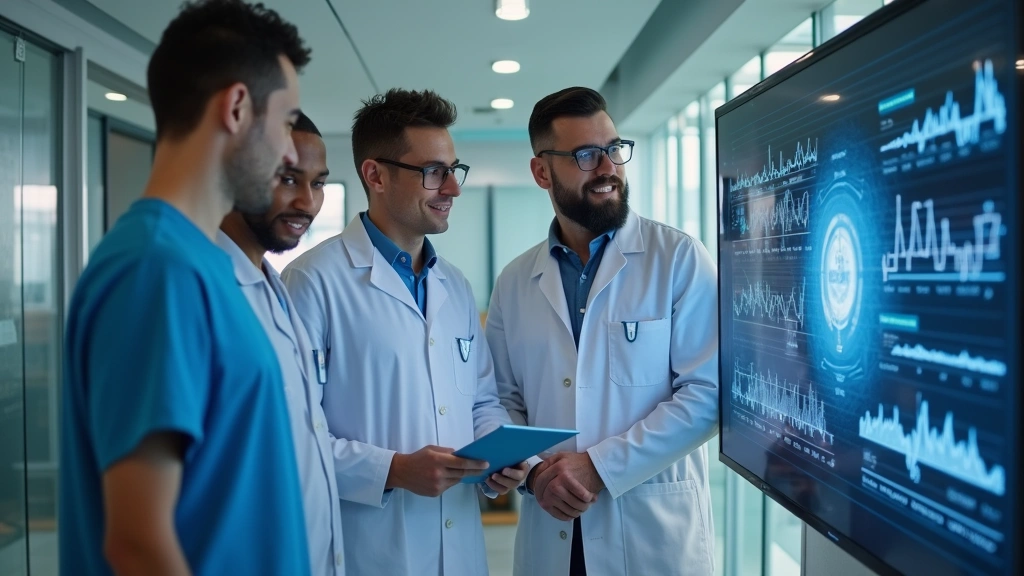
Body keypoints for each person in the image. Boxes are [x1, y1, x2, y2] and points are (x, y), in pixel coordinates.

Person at [60, 1, 313, 574]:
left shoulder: (203, 267)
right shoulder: (157, 269)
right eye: (286, 121)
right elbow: (138, 543)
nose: (290, 151)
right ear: (237, 107)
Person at [281, 88, 528, 576]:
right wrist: (393, 470)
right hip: (367, 551)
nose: (453, 189)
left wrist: (502, 452)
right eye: (433, 172)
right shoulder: (312, 281)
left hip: (459, 550)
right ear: (375, 175)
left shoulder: (454, 285)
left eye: (454, 170)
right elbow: (290, 434)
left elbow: (480, 401)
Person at [484, 87, 719, 576]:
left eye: (614, 149)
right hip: (552, 532)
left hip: (651, 531)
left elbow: (707, 395)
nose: (608, 167)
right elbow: (500, 401)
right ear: (541, 171)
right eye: (586, 155)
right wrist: (532, 474)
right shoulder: (514, 281)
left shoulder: (677, 259)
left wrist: (597, 466)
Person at [216, 112, 345, 575]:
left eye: (318, 183)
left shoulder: (274, 287)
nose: (306, 202)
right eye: (287, 178)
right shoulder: (198, 288)